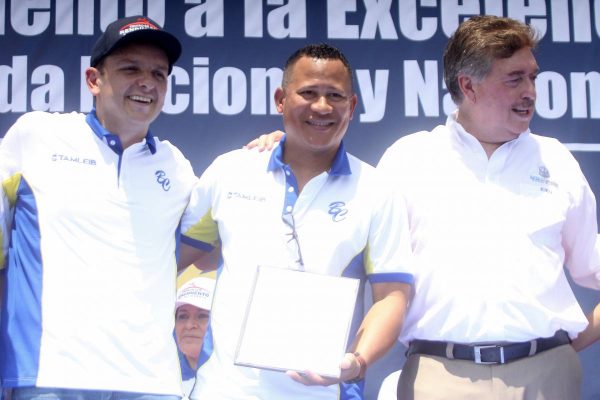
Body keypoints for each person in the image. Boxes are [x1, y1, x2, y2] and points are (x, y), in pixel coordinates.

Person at [374, 15, 600, 399]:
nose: (530, 92)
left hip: (548, 377)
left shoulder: (557, 160)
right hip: (439, 375)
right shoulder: (409, 159)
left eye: (533, 77)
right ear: (468, 86)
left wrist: (562, 349)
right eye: (515, 79)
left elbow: (590, 262)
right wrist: (278, 149)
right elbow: (364, 258)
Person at [178, 43, 413, 399]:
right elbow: (168, 260)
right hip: (225, 390)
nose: (322, 106)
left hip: (324, 393)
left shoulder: (376, 191)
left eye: (335, 95)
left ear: (351, 107)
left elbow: (391, 296)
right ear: (281, 99)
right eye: (308, 93)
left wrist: (356, 362)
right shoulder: (230, 171)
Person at [0, 15, 204, 400]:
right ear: (94, 79)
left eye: (158, 74)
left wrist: (272, 151)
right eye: (131, 69)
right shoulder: (36, 136)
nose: (147, 82)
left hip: (151, 381)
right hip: (52, 373)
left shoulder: (176, 167)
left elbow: (212, 245)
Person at [174, 273, 216, 398]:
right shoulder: (158, 377)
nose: (189, 325)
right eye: (183, 316)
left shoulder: (239, 380)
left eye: (202, 315)